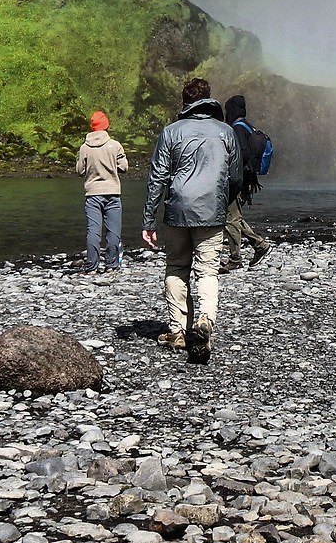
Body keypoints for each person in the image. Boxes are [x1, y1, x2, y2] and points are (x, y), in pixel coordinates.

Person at [141, 77, 240, 364]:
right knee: (208, 270)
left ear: (184, 102)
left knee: (176, 267)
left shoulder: (171, 132)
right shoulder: (226, 132)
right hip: (211, 212)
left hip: (177, 211)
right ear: (210, 100)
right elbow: (235, 177)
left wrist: (148, 220)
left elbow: (157, 178)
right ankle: (205, 321)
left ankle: (177, 331)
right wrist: (221, 201)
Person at [222, 94, 275, 270]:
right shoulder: (247, 126)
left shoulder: (237, 128)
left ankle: (235, 259)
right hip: (249, 179)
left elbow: (242, 156)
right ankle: (260, 246)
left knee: (230, 218)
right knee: (234, 216)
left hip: (240, 179)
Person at [75, 110, 128, 277]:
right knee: (113, 231)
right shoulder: (115, 145)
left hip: (92, 195)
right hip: (112, 193)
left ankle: (91, 267)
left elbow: (79, 171)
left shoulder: (84, 147)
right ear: (106, 126)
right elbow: (124, 167)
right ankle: (111, 265)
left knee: (93, 231)